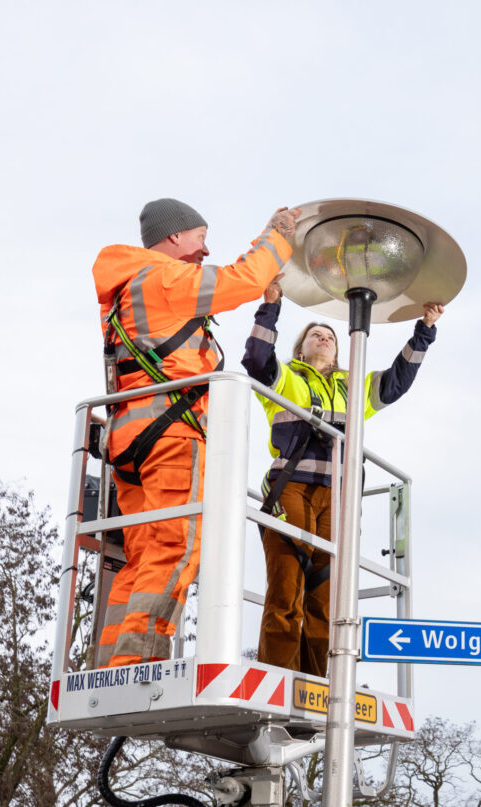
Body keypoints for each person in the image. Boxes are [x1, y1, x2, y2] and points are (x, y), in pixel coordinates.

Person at [92, 198, 301, 668]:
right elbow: (240, 279)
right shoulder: (165, 278)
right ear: (173, 238)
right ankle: (135, 666)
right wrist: (278, 235)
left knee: (144, 554)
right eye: (200, 238)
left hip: (130, 436)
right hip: (170, 434)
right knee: (175, 545)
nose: (205, 250)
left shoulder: (130, 286)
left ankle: (111, 665)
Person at [242, 278, 444, 676]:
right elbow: (256, 359)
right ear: (300, 348)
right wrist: (270, 306)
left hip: (338, 496)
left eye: (329, 336)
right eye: (314, 334)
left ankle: (318, 688)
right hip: (291, 489)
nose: (323, 338)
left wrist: (425, 330)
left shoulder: (353, 387)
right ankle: (277, 681)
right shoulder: (286, 379)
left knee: (325, 600)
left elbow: (397, 381)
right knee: (286, 592)